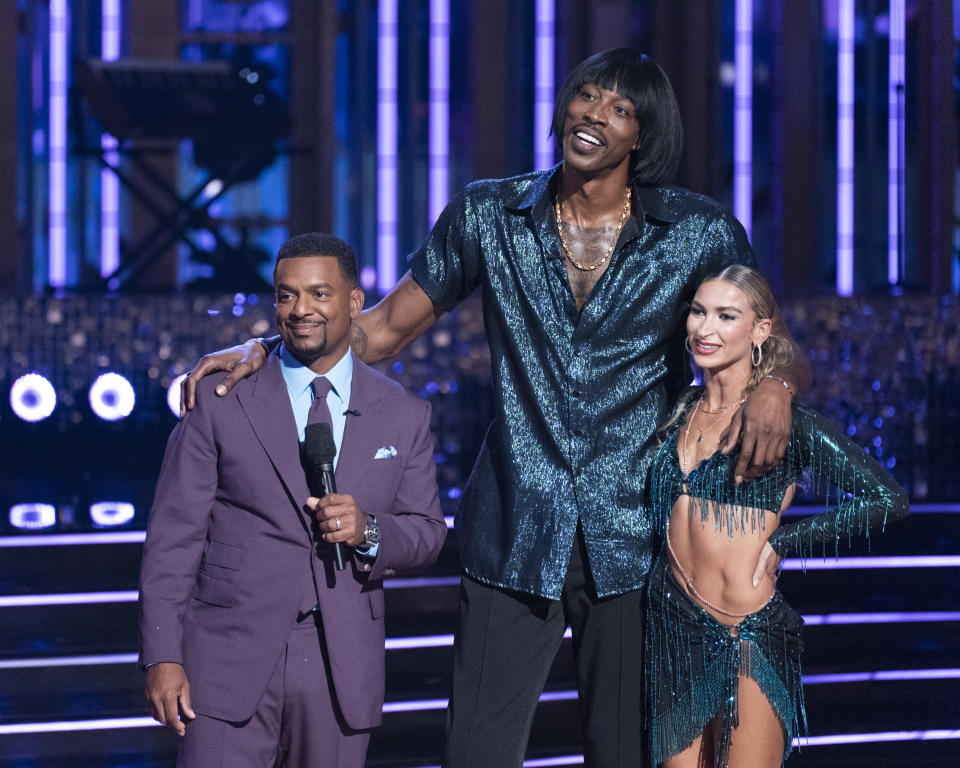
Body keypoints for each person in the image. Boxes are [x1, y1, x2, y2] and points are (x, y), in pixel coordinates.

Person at [181, 49, 810, 767]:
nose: (592, 114)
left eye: (618, 108)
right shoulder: (489, 213)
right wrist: (270, 346)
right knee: (476, 752)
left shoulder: (697, 231)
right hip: (513, 530)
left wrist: (775, 389)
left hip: (636, 536)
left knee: (626, 753)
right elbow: (382, 331)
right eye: (584, 96)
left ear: (643, 134)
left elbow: (776, 343)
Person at [139, 233, 447, 768]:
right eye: (286, 295)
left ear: (354, 303)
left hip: (340, 667)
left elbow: (427, 531)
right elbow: (172, 539)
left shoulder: (404, 414)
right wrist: (162, 656)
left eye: (318, 294)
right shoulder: (221, 401)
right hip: (226, 662)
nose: (300, 309)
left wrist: (369, 530)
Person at [644, 265, 909, 768]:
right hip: (673, 629)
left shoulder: (786, 425)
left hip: (750, 634)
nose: (705, 329)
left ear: (760, 331)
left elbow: (887, 498)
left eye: (727, 316)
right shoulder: (675, 410)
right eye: (699, 313)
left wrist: (790, 541)